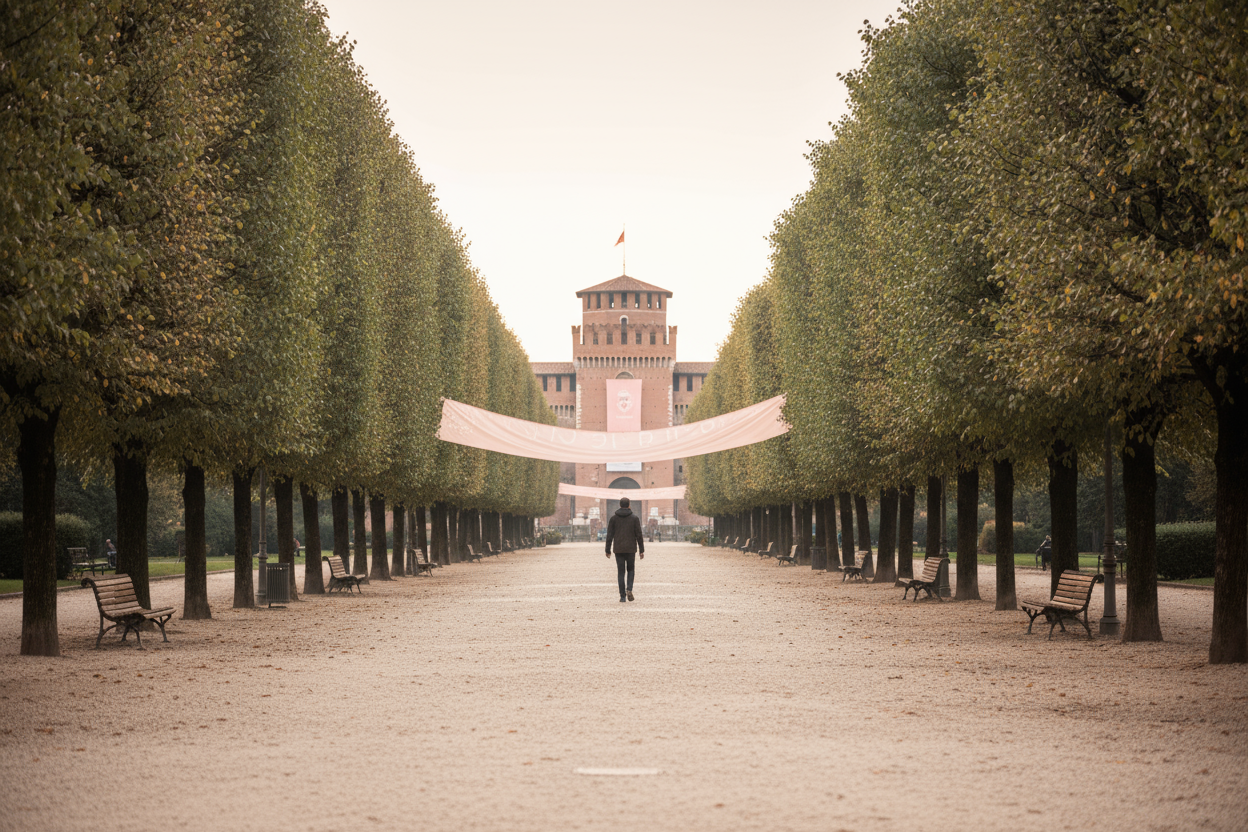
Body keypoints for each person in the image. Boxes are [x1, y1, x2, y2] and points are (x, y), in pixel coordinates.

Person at [604, 497, 644, 602]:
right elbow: (639, 535)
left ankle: (622, 596)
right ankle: (629, 589)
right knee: (631, 570)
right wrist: (641, 550)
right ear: (629, 505)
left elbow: (609, 535)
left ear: (620, 505)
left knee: (620, 572)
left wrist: (607, 550)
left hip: (618, 549)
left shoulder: (613, 519)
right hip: (631, 549)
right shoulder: (634, 518)